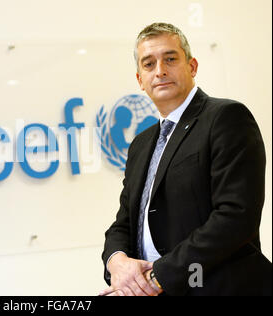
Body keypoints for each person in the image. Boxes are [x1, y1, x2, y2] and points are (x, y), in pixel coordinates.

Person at [100, 22, 272, 296]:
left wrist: (158, 277)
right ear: (139, 80)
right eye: (148, 64)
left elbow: (236, 217)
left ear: (192, 67)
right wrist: (117, 262)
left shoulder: (226, 118)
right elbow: (124, 222)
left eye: (170, 59)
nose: (160, 71)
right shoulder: (141, 144)